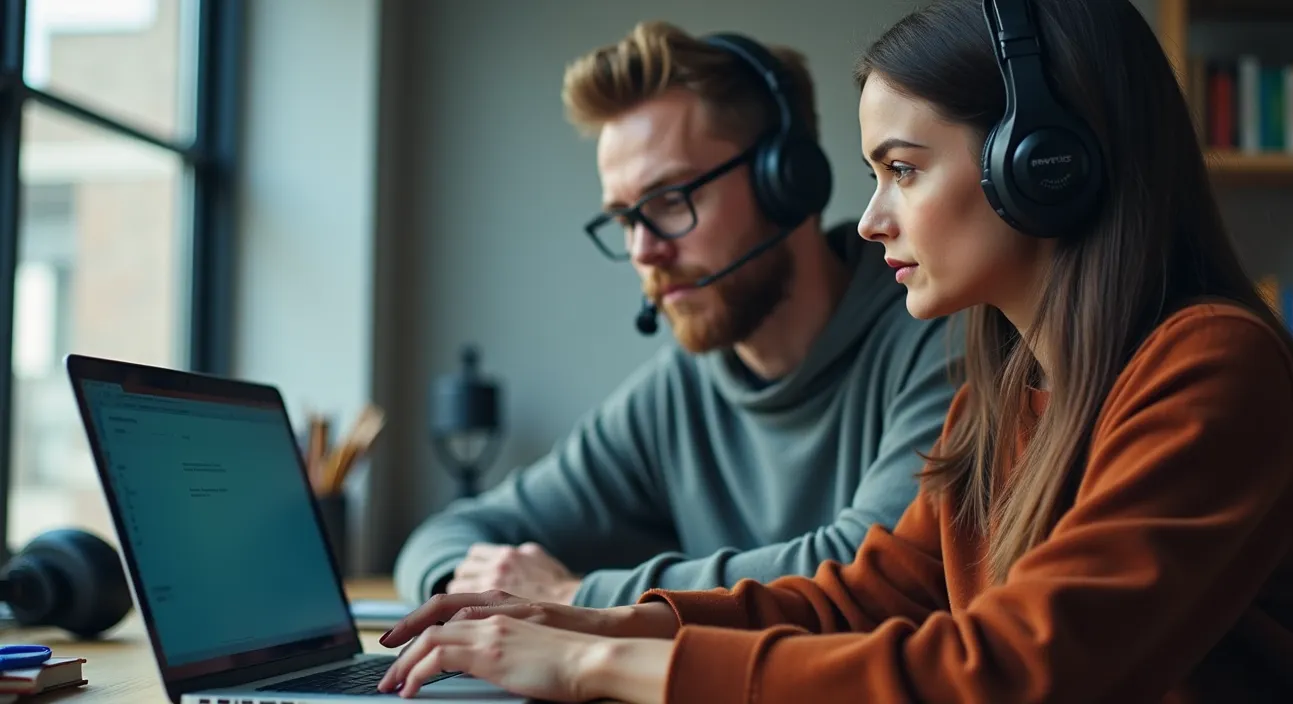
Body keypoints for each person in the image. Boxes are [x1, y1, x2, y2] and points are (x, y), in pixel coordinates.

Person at [375, 0, 1293, 702]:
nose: (870, 219)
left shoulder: (1211, 368)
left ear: (1043, 166)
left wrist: (597, 665)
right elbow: (862, 597)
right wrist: (598, 625)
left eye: (902, 169)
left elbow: (1014, 672)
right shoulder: (1008, 392)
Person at [391, 21, 961, 610]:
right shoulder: (674, 397)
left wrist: (575, 595)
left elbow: (874, 573)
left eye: (670, 200)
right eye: (624, 219)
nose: (644, 251)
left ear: (787, 183)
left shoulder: (947, 335)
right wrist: (468, 593)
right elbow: (444, 536)